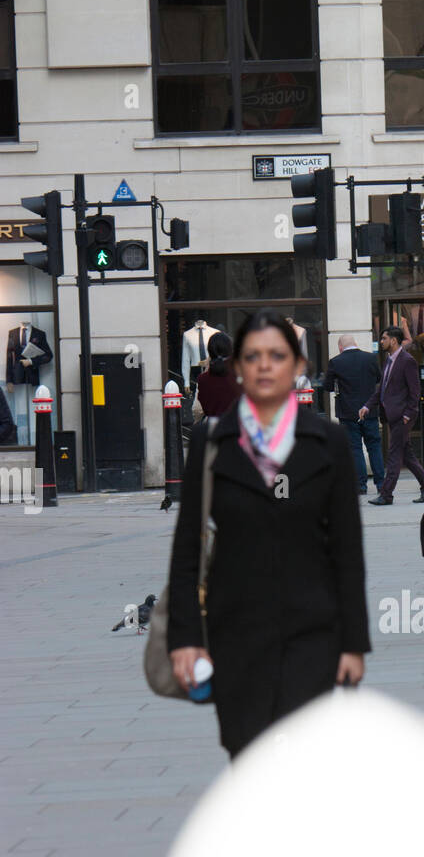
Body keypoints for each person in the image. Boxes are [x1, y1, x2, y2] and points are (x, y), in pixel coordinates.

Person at [167, 310, 370, 759]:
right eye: (252, 356)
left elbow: (347, 549)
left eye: (276, 355)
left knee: (301, 761)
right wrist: (184, 638)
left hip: (312, 631)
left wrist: (354, 643)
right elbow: (187, 546)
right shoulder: (213, 442)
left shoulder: (327, 442)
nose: (264, 365)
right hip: (234, 631)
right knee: (249, 756)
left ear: (298, 368)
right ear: (238, 367)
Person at [361, 326, 424, 505]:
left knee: (394, 455)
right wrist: (367, 406)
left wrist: (409, 414)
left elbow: (415, 391)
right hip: (392, 415)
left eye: (384, 338)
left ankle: (386, 494)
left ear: (393, 341)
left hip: (403, 416)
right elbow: (382, 390)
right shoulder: (389, 360)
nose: (381, 342)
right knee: (407, 455)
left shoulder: (407, 360)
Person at [323, 334, 385, 495]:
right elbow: (379, 378)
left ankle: (361, 485)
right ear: (356, 344)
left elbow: (327, 386)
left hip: (348, 412)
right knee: (374, 446)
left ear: (340, 347)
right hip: (369, 410)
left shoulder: (336, 362)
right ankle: (381, 484)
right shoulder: (370, 358)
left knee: (355, 448)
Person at [192, 332, 240, 421]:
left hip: (213, 428)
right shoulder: (240, 374)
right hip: (237, 426)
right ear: (230, 350)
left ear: (210, 351)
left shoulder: (203, 379)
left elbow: (198, 409)